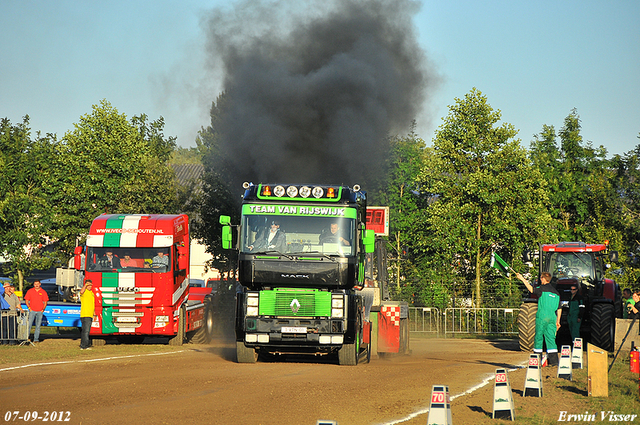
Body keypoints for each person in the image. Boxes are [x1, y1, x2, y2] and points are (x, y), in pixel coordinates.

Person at [516, 271, 561, 365]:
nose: (540, 280)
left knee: (538, 338)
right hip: (553, 317)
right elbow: (559, 308)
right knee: (551, 339)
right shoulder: (556, 293)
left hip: (542, 316)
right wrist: (558, 321)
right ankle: (554, 362)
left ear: (543, 279)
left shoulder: (542, 289)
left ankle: (537, 360)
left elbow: (531, 290)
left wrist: (522, 279)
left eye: (541, 278)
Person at [79, 279, 95, 350]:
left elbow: (92, 304)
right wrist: (85, 285)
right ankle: (84, 345)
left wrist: (94, 314)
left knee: (87, 331)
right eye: (88, 285)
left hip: (90, 314)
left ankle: (85, 344)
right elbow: (81, 292)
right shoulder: (84, 292)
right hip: (85, 314)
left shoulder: (91, 293)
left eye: (90, 285)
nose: (90, 287)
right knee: (85, 331)